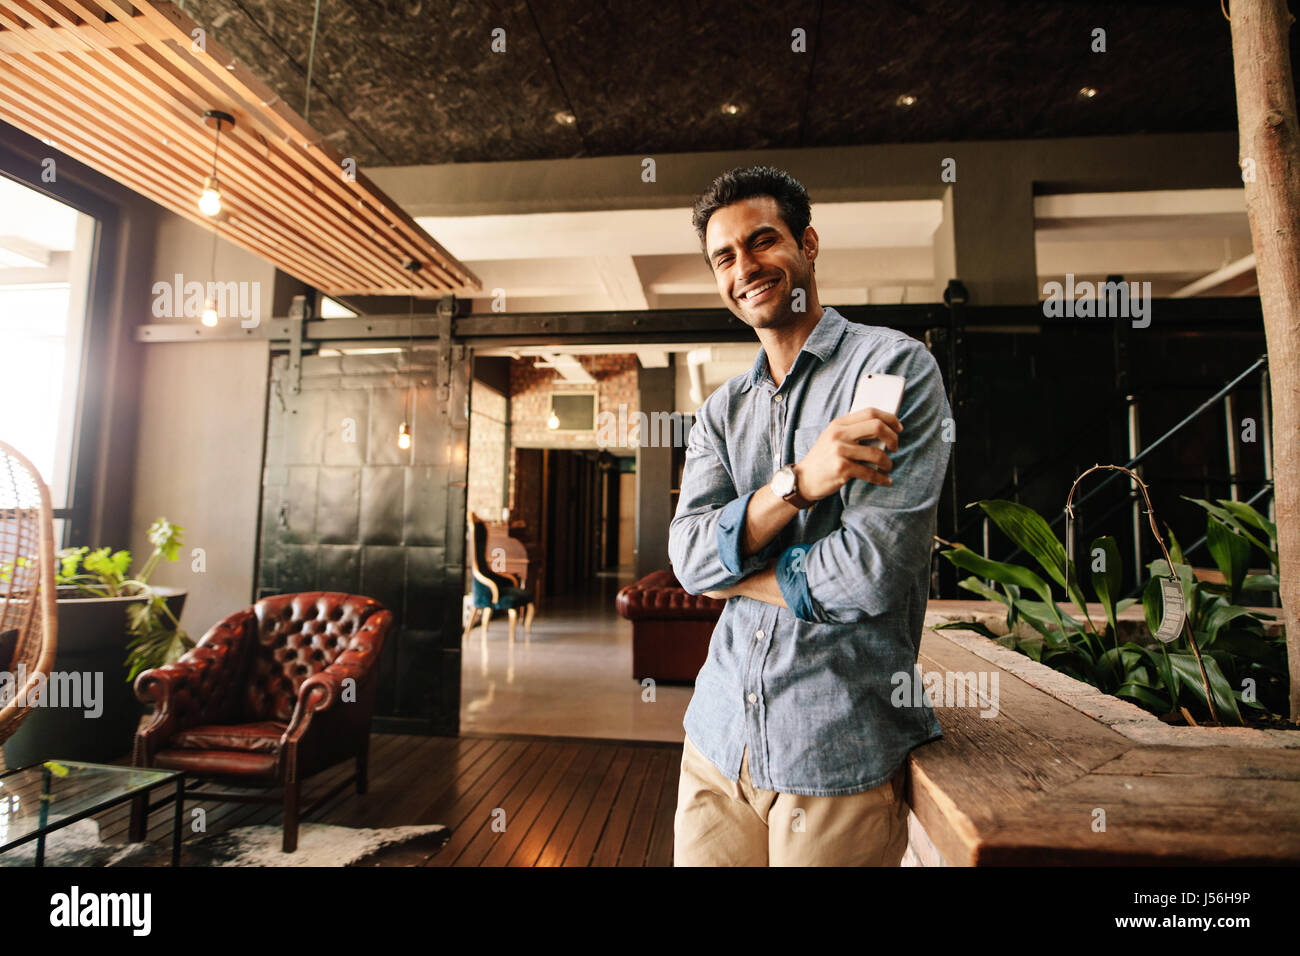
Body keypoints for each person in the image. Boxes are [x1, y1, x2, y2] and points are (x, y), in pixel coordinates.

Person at [668, 165, 952, 866]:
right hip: (715, 742)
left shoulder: (892, 370)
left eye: (763, 242)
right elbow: (686, 559)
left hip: (836, 754)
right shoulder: (720, 410)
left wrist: (735, 572)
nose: (745, 268)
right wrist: (795, 486)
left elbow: (870, 576)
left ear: (808, 244)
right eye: (724, 257)